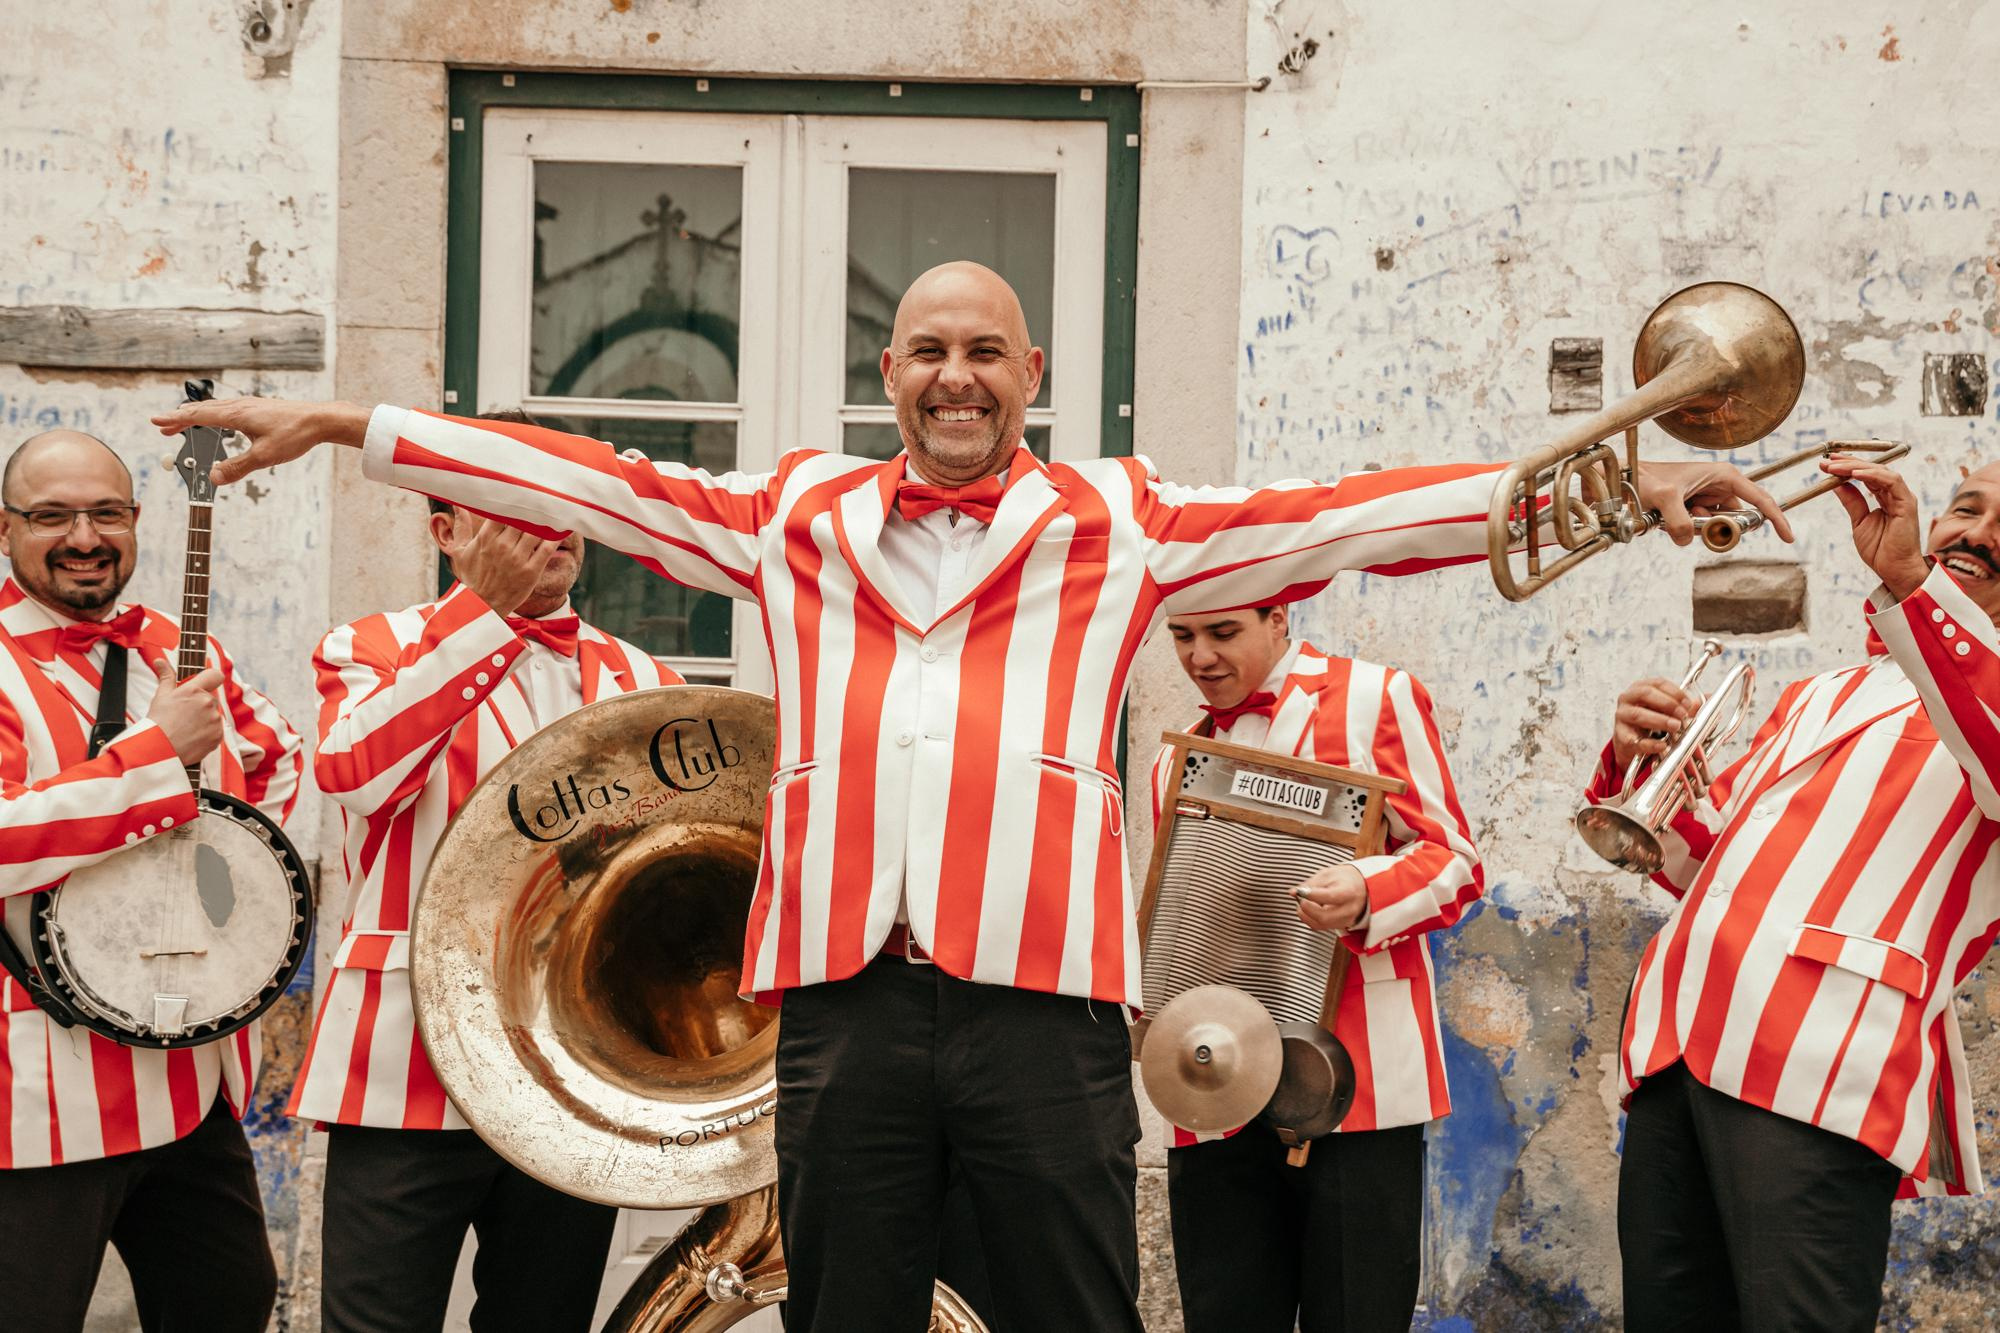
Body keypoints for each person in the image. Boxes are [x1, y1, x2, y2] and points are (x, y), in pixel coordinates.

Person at [155, 261, 1793, 1332]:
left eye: (983, 352)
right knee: (847, 1309)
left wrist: (1631, 482)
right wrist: (349, 422)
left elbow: (1356, 513)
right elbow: (593, 477)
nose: (956, 375)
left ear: (1029, 373)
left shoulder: (1119, 520)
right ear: (891, 370)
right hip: (842, 1007)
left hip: (1046, 1006)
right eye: (929, 350)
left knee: (1070, 1309)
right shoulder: (795, 515)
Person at [286, 410, 685, 1333]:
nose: (544, 524)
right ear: (446, 529)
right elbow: (356, 775)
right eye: (507, 503)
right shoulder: (369, 647)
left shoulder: (642, 674)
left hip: (578, 1066)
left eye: (557, 500)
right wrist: (482, 614)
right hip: (404, 1063)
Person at [1583, 455, 2000, 1331]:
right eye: (1968, 508)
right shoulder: (1823, 691)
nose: (1981, 535)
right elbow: (1699, 861)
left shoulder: (1980, 691)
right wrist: (1640, 766)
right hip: (1677, 1046)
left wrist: (1913, 585)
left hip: (1825, 1059)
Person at [0, 430, 302, 1332]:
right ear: (6, 529)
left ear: (135, 520)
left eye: (106, 513)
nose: (83, 536)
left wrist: (213, 885)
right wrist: (152, 757)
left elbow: (277, 758)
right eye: (52, 516)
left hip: (185, 1074)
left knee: (228, 1301)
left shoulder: (173, 643)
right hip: (37, 1083)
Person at [1152, 604, 1479, 1333]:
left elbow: (1455, 862)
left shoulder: (1375, 698)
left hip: (1361, 1086)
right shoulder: (1174, 760)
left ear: (1278, 617)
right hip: (1213, 1089)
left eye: (1223, 633)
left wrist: (1367, 890)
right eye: (1182, 636)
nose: (1200, 657)